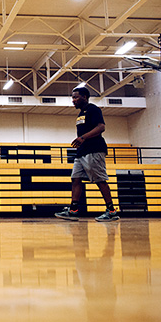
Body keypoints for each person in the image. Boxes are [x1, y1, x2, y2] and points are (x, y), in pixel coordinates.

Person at [56, 86, 119, 222]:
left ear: (84, 97)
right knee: (76, 179)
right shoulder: (81, 114)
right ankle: (73, 210)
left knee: (100, 180)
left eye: (76, 97)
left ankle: (111, 211)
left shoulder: (93, 109)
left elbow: (101, 127)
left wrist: (83, 137)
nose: (73, 100)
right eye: (72, 97)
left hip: (94, 149)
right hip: (82, 152)